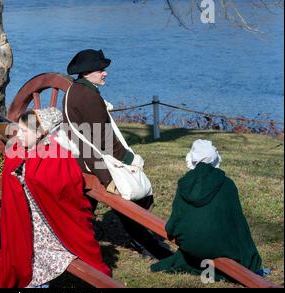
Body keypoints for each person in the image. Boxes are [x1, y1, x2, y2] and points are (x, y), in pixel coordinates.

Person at [0, 108, 111, 288]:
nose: (18, 135)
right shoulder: (19, 150)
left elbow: (66, 195)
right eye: (18, 129)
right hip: (25, 223)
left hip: (52, 229)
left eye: (24, 131)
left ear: (39, 133)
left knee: (36, 262)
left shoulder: (57, 157)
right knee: (17, 258)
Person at [62, 49, 171, 259]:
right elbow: (102, 138)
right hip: (94, 161)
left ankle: (140, 234)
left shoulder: (80, 90)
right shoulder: (86, 95)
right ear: (87, 72)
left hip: (88, 155)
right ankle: (149, 245)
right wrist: (129, 159)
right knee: (126, 196)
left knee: (132, 194)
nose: (105, 73)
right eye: (100, 70)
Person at [151, 139, 263, 278]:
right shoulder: (228, 184)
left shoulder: (184, 183)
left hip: (190, 244)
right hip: (220, 247)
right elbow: (237, 223)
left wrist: (174, 232)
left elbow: (176, 218)